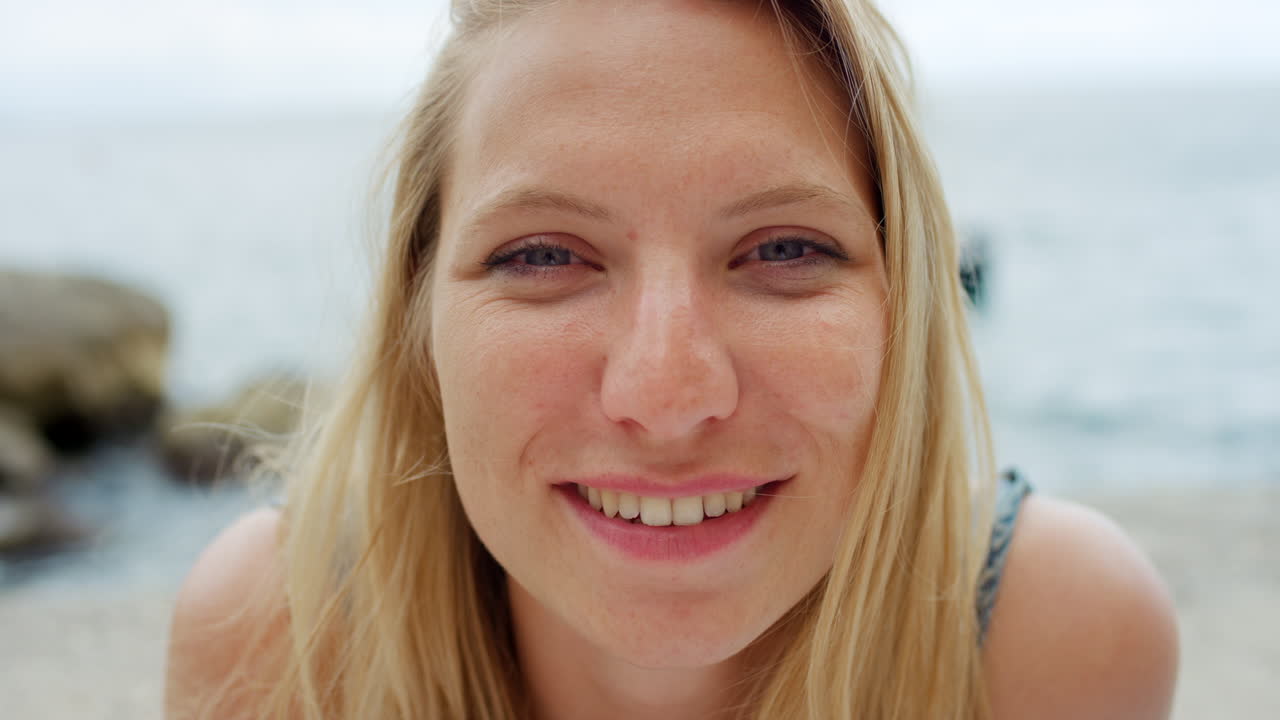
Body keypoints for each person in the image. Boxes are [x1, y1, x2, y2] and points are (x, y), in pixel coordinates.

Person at [163, 1, 1179, 718]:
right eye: (544, 255)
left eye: (783, 249)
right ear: (417, 324)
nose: (665, 396)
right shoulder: (280, 640)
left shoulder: (1053, 639)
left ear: (900, 307)